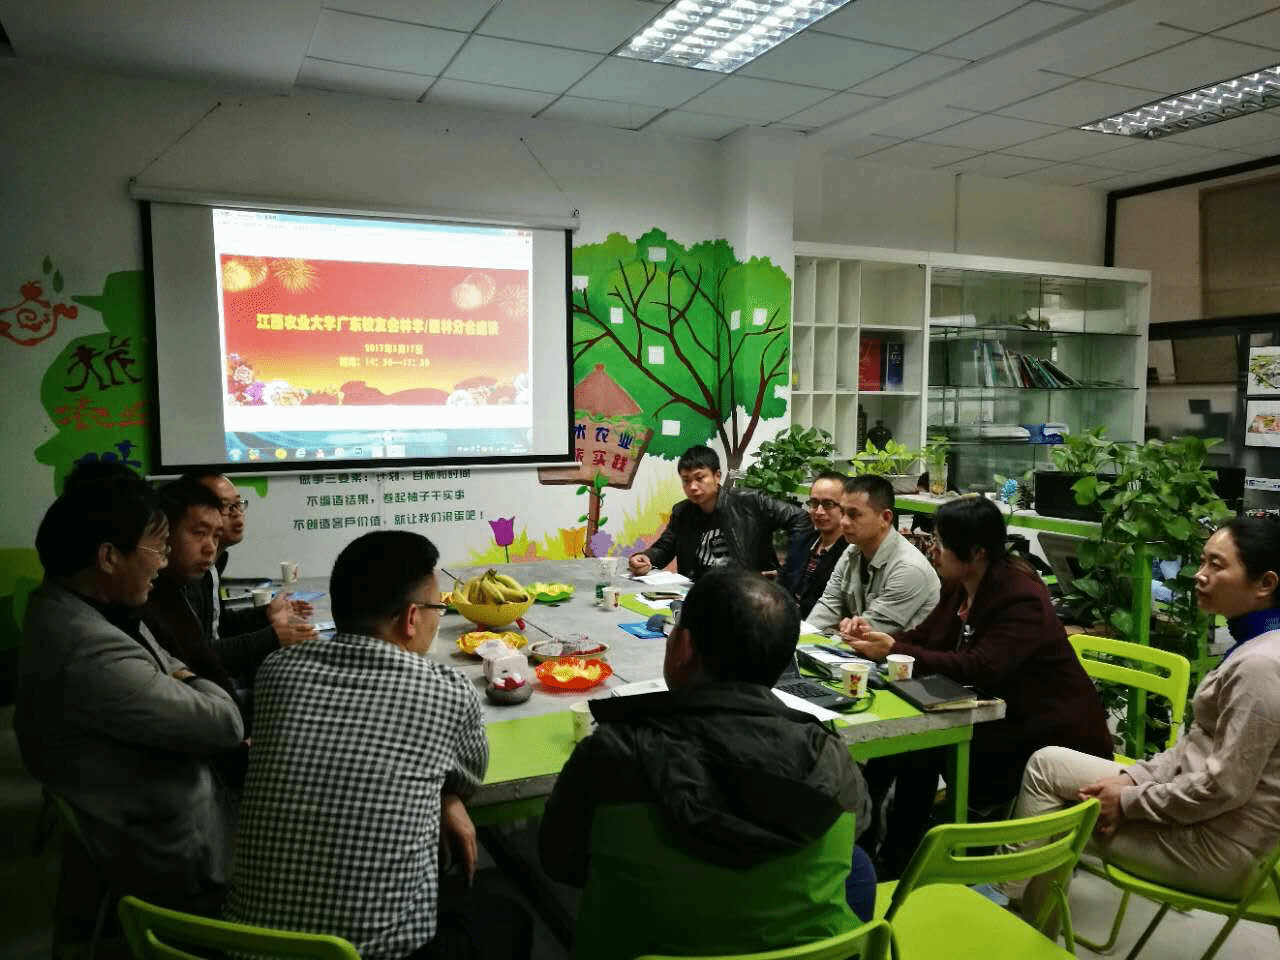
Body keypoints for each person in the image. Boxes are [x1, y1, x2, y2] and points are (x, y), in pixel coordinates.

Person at [223, 531, 529, 960]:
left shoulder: (277, 671)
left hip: (246, 948)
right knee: (508, 919)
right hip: (372, 955)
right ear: (411, 618)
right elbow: (468, 779)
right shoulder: (446, 691)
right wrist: (448, 796)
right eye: (437, 608)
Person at [538, 568, 874, 960]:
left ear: (683, 646)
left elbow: (561, 863)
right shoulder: (832, 759)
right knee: (859, 866)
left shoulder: (611, 754)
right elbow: (851, 834)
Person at [1009, 515, 1280, 919]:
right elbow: (1193, 746)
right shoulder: (1254, 643)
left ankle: (1014, 915)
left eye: (1217, 565)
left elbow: (1223, 787)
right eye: (1202, 561)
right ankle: (1012, 901)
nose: (1200, 575)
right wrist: (1132, 779)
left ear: (1265, 584)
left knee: (1059, 820)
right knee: (1047, 764)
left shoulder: (1261, 665)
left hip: (1221, 847)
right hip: (1198, 811)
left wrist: (1129, 802)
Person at [847, 495, 1112, 878]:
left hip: (1044, 733)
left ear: (976, 552)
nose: (932, 550)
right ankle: (874, 853)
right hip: (993, 713)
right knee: (902, 746)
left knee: (920, 747)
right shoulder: (961, 584)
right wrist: (877, 639)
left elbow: (980, 667)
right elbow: (927, 637)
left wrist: (896, 650)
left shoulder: (1020, 597)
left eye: (940, 542)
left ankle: (899, 859)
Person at [15, 478, 244, 910]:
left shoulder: (82, 606)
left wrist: (179, 675)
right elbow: (224, 722)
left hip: (140, 800)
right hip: (175, 846)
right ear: (109, 557)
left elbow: (172, 663)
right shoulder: (91, 648)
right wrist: (187, 677)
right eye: (157, 548)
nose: (163, 562)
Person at [627, 444, 810, 580]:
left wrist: (788, 570)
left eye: (699, 478)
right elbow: (665, 548)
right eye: (686, 480)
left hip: (748, 593)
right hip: (699, 591)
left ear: (717, 476)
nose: (693, 487)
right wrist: (645, 558)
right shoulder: (683, 512)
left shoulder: (749, 502)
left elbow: (799, 517)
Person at [808, 474, 940, 635]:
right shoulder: (852, 551)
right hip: (860, 647)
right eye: (842, 512)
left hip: (895, 650)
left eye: (853, 514)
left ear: (885, 518)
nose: (844, 522)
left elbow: (869, 633)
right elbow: (828, 606)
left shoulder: (908, 568)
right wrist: (802, 637)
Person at [780, 471, 850, 617]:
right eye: (814, 503)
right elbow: (783, 584)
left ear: (846, 507)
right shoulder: (802, 542)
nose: (819, 511)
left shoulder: (850, 553)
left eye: (828, 504)